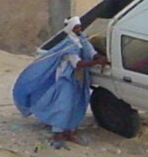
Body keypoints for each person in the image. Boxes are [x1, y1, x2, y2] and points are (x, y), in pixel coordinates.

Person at [12, 16, 108, 149]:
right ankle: (57, 135)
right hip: (66, 80)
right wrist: (96, 62)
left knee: (77, 104)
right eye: (76, 27)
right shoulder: (68, 46)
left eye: (79, 27)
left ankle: (71, 133)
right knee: (63, 106)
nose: (79, 29)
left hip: (79, 80)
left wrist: (100, 58)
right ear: (70, 28)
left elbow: (91, 52)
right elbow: (77, 63)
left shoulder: (82, 40)